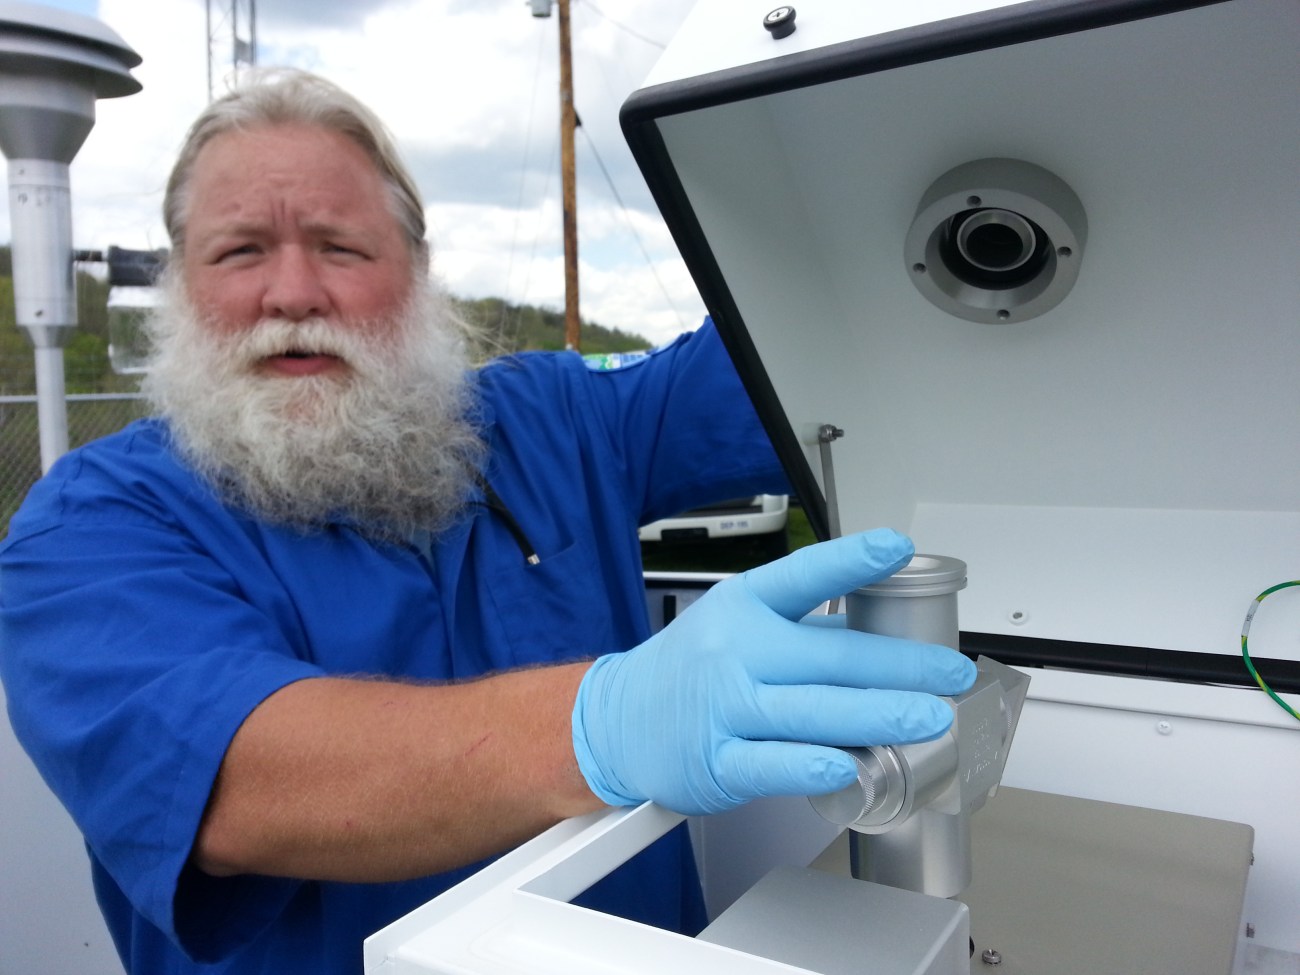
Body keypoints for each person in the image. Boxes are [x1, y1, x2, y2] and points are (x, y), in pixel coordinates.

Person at [0, 69, 974, 974]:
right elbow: (235, 782)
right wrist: (602, 720)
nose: (291, 293)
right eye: (240, 251)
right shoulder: (92, 525)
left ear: (416, 271)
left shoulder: (554, 417)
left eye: (339, 247)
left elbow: (793, 347)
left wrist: (923, 203)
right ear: (182, 282)